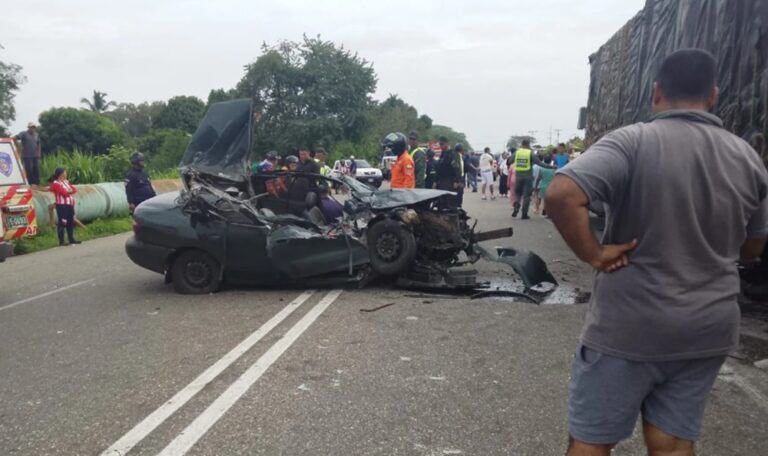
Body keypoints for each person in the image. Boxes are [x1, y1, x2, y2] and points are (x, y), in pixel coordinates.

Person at [545, 49, 768, 456]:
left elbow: (562, 194)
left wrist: (593, 253)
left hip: (631, 325)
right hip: (707, 328)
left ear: (656, 93)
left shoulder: (633, 142)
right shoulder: (747, 158)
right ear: (713, 96)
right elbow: (753, 246)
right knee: (673, 441)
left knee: (592, 442)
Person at [511, 139, 554, 219]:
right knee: (527, 196)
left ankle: (517, 204)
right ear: (528, 145)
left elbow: (509, 161)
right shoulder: (530, 153)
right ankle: (524, 214)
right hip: (528, 177)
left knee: (518, 194)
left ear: (521, 144)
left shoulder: (517, 153)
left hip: (518, 176)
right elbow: (540, 163)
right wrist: (551, 167)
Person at [49, 167, 81, 246]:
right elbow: (64, 194)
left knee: (70, 222)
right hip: (62, 205)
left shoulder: (66, 182)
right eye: (65, 172)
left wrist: (69, 191)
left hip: (69, 205)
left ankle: (71, 239)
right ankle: (62, 241)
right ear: (61, 174)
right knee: (62, 222)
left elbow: (74, 190)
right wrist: (69, 191)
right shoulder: (56, 183)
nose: (66, 174)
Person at [435, 136, 463, 208]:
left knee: (450, 202)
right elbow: (439, 168)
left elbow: (457, 168)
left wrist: (456, 181)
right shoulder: (442, 154)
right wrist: (436, 181)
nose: (441, 146)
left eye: (442, 144)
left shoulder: (453, 154)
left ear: (446, 143)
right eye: (440, 144)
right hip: (442, 181)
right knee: (441, 202)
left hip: (450, 181)